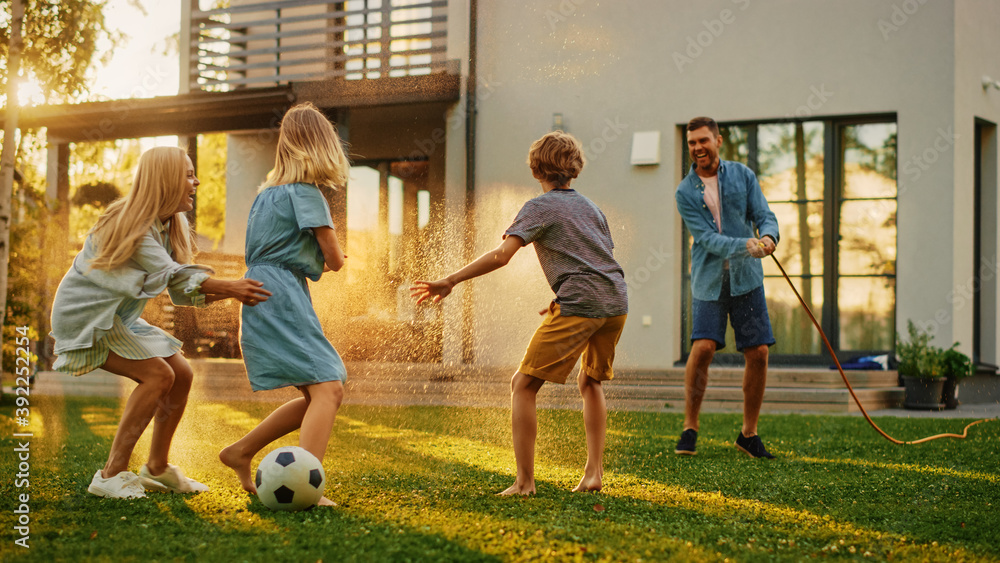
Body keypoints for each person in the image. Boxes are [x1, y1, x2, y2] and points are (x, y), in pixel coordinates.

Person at [411, 131, 628, 495]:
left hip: (581, 303)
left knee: (523, 384)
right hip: (615, 301)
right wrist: (564, 296)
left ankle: (525, 482)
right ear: (574, 169)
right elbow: (597, 258)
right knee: (590, 382)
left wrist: (451, 280)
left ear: (535, 168)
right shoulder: (592, 207)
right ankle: (594, 474)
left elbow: (501, 255)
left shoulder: (538, 207)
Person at [50, 146, 273, 499]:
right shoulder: (132, 221)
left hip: (118, 318)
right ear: (165, 180)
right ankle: (110, 475)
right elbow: (171, 274)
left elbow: (180, 290)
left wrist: (232, 292)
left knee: (181, 373)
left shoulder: (170, 224)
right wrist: (230, 285)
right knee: (158, 375)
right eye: (188, 174)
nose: (195, 181)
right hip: (87, 318)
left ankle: (156, 468)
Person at [219, 102, 349, 507]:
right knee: (328, 386)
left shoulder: (266, 194)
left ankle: (240, 451)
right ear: (321, 146)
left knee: (321, 390)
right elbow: (335, 259)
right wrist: (331, 257)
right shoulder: (306, 194)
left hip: (261, 290)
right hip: (281, 295)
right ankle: (306, 488)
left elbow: (269, 248)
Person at [674, 116, 780, 459]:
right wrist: (744, 246)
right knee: (703, 348)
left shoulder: (743, 175)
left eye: (703, 140)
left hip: (747, 278)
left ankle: (749, 434)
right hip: (709, 280)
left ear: (718, 140)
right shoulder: (684, 192)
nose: (697, 148)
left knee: (759, 353)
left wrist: (768, 236)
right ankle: (690, 426)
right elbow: (706, 239)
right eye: (692, 143)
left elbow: (763, 213)